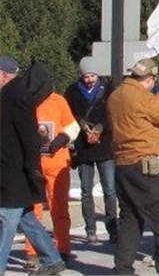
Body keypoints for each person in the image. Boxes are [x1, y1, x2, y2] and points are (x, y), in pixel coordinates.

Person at [107, 57, 159, 276]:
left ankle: (122, 269)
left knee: (130, 218)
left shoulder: (115, 95)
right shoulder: (142, 97)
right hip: (146, 165)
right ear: (149, 79)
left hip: (122, 165)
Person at [0, 58, 66, 276]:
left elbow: (30, 138)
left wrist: (33, 169)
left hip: (15, 173)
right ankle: (52, 259)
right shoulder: (14, 94)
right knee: (26, 218)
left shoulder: (17, 97)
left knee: (6, 221)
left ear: (3, 75)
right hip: (14, 171)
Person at [23, 73, 81, 269]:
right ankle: (32, 253)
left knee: (59, 209)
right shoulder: (24, 101)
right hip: (32, 165)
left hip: (57, 164)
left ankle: (63, 249)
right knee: (32, 211)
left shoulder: (58, 101)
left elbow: (73, 127)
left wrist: (60, 140)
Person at [64, 57, 118, 245]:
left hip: (104, 146)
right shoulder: (71, 92)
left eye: (93, 75)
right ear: (81, 75)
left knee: (110, 189)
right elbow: (68, 114)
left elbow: (113, 114)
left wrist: (101, 128)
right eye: (86, 76)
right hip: (83, 146)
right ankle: (90, 230)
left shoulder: (108, 90)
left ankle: (113, 229)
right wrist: (82, 125)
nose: (90, 80)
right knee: (86, 191)